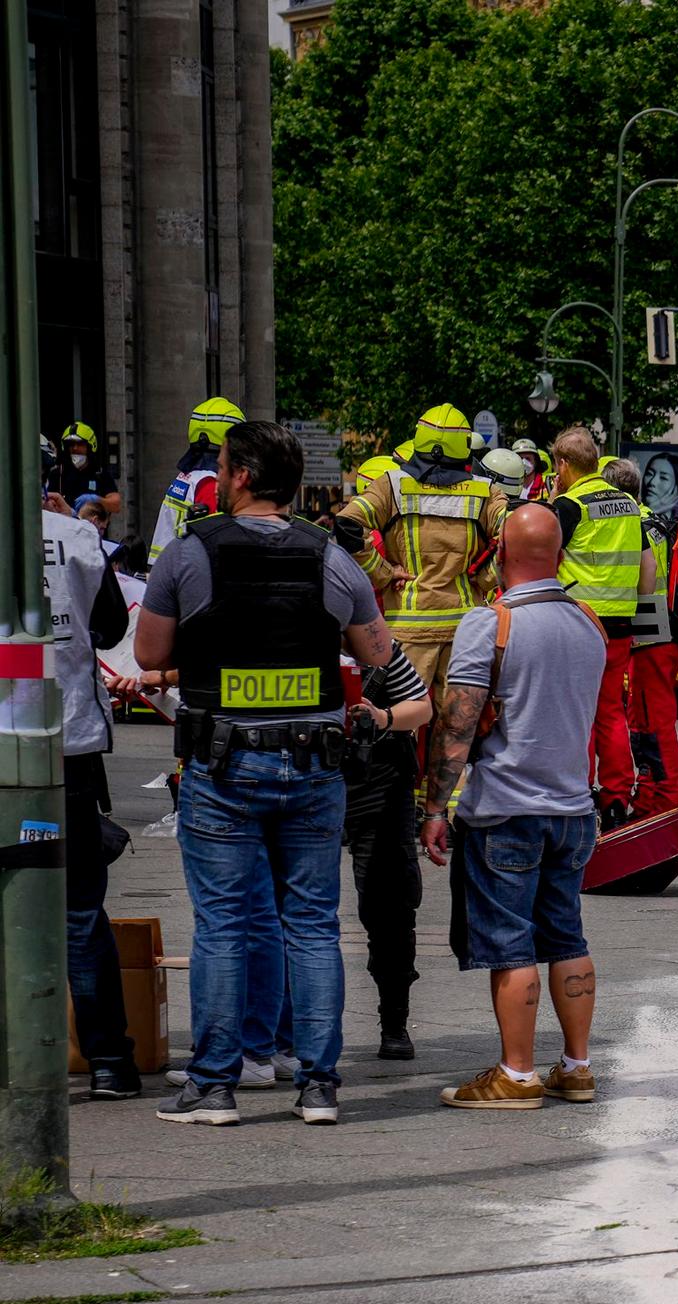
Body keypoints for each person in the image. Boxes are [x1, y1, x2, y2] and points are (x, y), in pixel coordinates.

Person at [133, 420, 396, 1125]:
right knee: (313, 924)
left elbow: (150, 650)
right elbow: (375, 651)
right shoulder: (332, 559)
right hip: (313, 762)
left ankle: (215, 1087)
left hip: (222, 763)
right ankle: (318, 1087)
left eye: (223, 466)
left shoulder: (191, 554)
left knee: (222, 924)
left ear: (242, 477)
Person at [420, 505, 608, 1111]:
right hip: (573, 809)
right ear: (558, 554)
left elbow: (459, 721)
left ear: (501, 549)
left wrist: (434, 806)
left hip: (506, 809)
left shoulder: (490, 623)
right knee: (567, 934)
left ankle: (517, 1075)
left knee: (512, 944)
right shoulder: (588, 622)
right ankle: (576, 1068)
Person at [43, 496, 141, 1096]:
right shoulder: (77, 538)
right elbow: (109, 627)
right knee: (80, 912)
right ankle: (108, 1062)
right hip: (67, 742)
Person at [336, 404, 506, 702]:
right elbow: (518, 536)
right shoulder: (485, 491)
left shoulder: (392, 485)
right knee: (456, 726)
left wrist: (384, 573)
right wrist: (485, 578)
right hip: (466, 629)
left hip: (407, 631)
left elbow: (347, 526)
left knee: (401, 726)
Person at [341, 636, 436, 1060]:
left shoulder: (371, 642)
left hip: (378, 778)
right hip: (306, 779)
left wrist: (381, 716)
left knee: (389, 905)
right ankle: (283, 1033)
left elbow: (422, 706)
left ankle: (394, 1022)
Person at [546, 427, 645, 828]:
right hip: (620, 622)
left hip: (581, 622)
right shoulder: (626, 503)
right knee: (611, 712)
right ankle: (617, 798)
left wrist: (551, 502)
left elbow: (544, 555)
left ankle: (579, 792)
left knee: (577, 712)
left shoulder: (570, 505)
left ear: (564, 465)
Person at [613, 458, 678, 816]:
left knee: (648, 722)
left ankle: (661, 797)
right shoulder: (655, 520)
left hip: (647, 636)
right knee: (654, 719)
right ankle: (659, 791)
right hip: (663, 633)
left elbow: (643, 578)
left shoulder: (633, 524)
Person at [149, 396, 247, 559]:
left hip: (168, 567)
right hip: (187, 572)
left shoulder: (188, 476)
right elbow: (215, 538)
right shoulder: (210, 483)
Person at [44, 422, 120, 521]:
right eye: (71, 444)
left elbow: (116, 505)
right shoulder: (58, 474)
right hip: (65, 529)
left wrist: (96, 500)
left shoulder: (100, 474)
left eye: (80, 444)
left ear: (89, 446)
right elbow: (47, 502)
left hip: (93, 530)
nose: (75, 448)